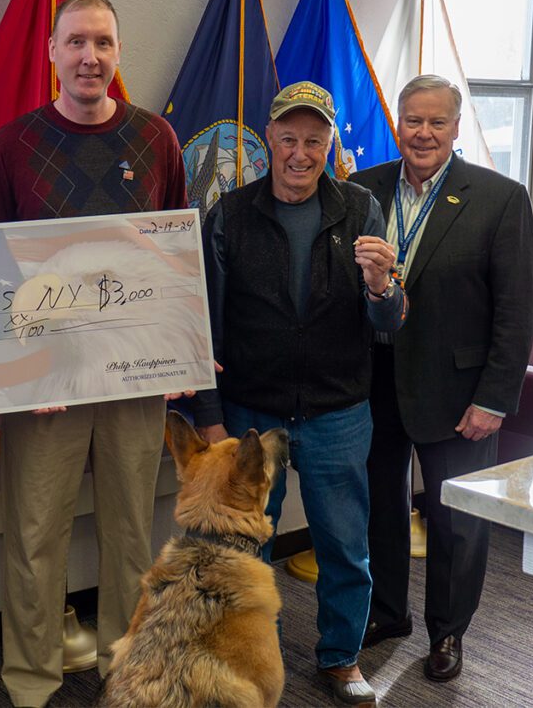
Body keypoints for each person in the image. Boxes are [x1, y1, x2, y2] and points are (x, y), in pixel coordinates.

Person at [0, 0, 187, 707]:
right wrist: (19, 368)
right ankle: (31, 680)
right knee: (34, 536)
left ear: (118, 53)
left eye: (103, 42)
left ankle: (125, 667)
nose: (89, 56)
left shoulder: (157, 140)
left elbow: (174, 255)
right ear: (53, 52)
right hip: (45, 383)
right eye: (76, 42)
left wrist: (181, 349)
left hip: (132, 378)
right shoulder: (13, 142)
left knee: (132, 531)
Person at [190, 81, 407, 706]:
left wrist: (380, 288)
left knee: (344, 545)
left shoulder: (361, 208)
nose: (300, 153)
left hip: (340, 412)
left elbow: (389, 322)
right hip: (252, 415)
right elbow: (204, 323)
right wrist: (211, 418)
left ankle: (340, 658)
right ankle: (256, 660)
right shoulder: (229, 214)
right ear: (270, 139)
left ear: (330, 145)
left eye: (315, 140)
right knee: (245, 549)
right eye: (289, 138)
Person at [352, 74, 533, 682]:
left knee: (456, 520)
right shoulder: (361, 189)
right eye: (412, 120)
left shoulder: (500, 198)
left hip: (461, 392)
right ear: (396, 123)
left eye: (437, 122)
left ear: (456, 128)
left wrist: (494, 398)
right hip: (373, 381)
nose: (423, 133)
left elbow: (517, 311)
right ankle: (387, 612)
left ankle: (448, 633)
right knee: (381, 506)